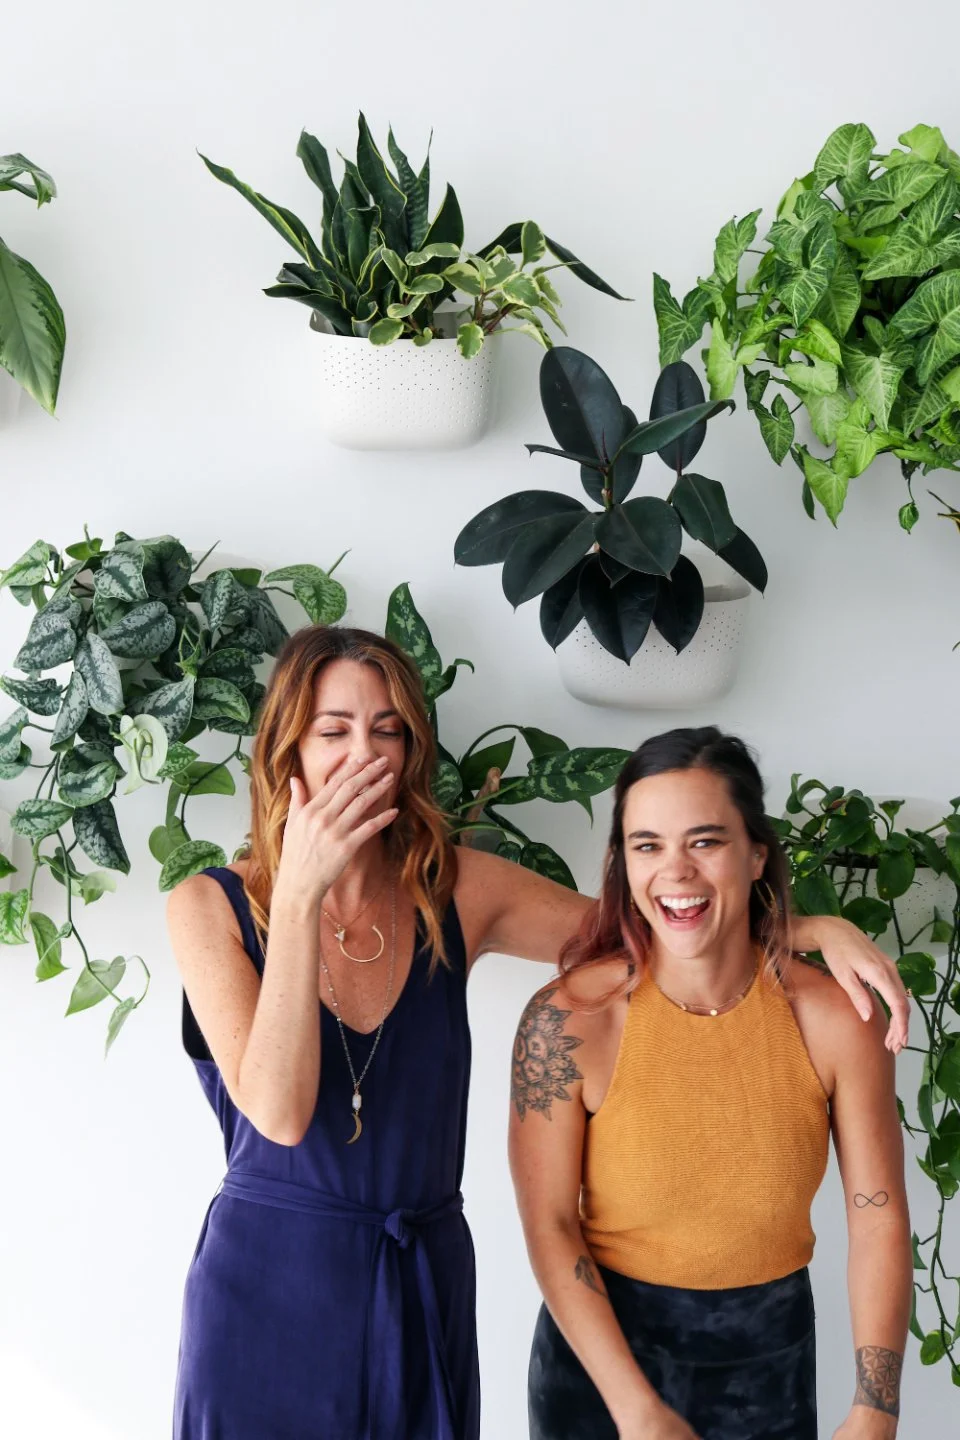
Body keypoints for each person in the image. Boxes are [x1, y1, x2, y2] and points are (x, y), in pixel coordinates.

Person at [168, 629, 910, 1440]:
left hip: (422, 1282)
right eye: (333, 729)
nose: (363, 754)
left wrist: (807, 927)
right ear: (288, 751)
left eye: (387, 729)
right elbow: (277, 1112)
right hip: (269, 1288)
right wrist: (304, 891)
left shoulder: (455, 887)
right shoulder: (210, 909)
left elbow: (656, 919)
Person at [509, 726, 912, 1440]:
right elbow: (549, 1224)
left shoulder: (834, 1021)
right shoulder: (569, 1020)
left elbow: (876, 1215)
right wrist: (636, 1412)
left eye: (705, 841)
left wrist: (876, 1408)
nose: (676, 872)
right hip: (599, 1378)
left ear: (757, 853)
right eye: (648, 845)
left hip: (767, 1371)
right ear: (622, 863)